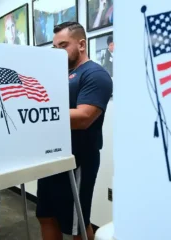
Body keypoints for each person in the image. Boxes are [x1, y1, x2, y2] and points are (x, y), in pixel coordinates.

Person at [36, 22, 113, 240]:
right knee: (46, 215)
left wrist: (35, 112)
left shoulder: (95, 74)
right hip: (50, 157)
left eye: (63, 45)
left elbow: (84, 118)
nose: (58, 51)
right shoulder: (57, 74)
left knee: (77, 222)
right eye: (55, 47)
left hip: (78, 159)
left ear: (81, 44)